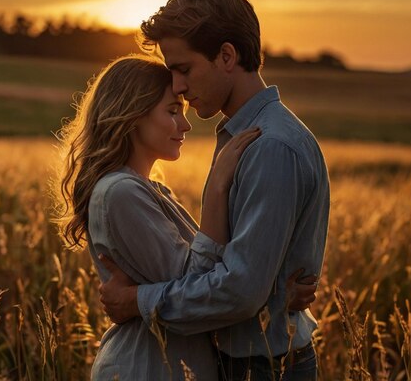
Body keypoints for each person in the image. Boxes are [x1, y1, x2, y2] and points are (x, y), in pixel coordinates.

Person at [98, 0, 330, 381]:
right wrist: (275, 295)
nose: (179, 87)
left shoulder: (270, 147)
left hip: (266, 368)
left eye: (184, 69)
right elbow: (243, 282)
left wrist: (137, 302)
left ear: (226, 56)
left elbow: (239, 290)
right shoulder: (245, 138)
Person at [55, 54, 314, 380]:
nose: (186, 124)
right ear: (132, 114)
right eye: (172, 111)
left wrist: (271, 295)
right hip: (148, 367)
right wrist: (217, 188)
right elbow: (195, 280)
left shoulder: (150, 190)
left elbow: (207, 283)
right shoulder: (120, 193)